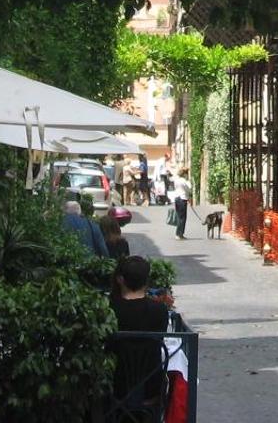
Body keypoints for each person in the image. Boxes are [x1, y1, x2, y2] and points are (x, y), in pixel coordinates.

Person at [109, 255, 172, 422]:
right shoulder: (159, 310)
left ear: (121, 280)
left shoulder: (110, 309)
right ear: (146, 281)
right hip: (150, 386)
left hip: (116, 384)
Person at [171, 171, 192, 239]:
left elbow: (176, 188)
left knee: (179, 216)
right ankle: (180, 234)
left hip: (177, 198)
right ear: (185, 174)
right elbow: (189, 189)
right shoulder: (184, 181)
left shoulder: (176, 180)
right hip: (183, 199)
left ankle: (178, 233)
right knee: (183, 217)